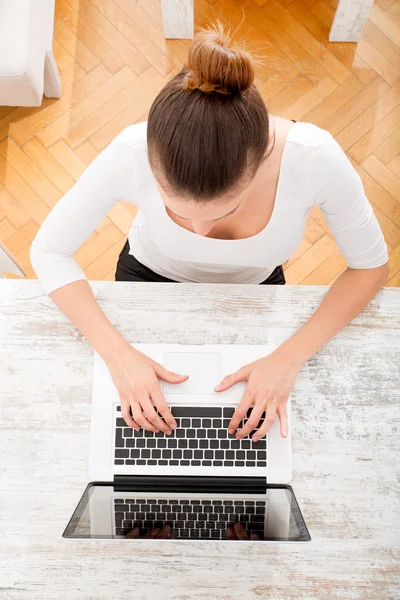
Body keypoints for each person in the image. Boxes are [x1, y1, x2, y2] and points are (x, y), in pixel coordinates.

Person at [30, 23, 389, 445]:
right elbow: (50, 250)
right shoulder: (131, 150)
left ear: (262, 161)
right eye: (174, 209)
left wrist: (289, 359)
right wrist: (118, 355)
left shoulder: (314, 158)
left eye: (227, 210)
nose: (201, 231)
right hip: (148, 278)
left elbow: (370, 267)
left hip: (257, 290)